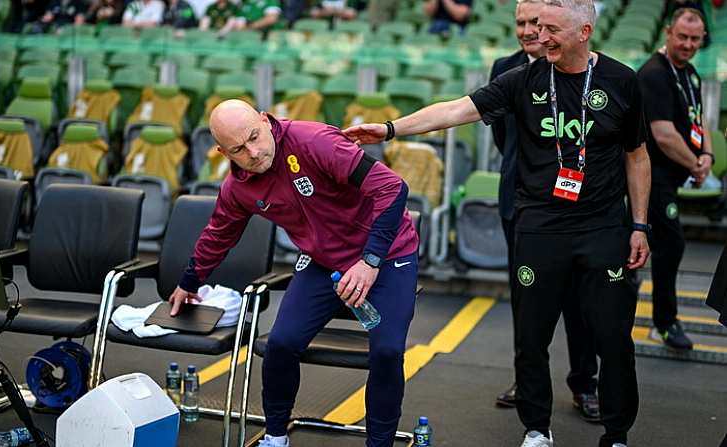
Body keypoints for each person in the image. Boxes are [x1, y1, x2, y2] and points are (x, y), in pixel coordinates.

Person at [344, 0, 651, 445]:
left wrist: (639, 225)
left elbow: (636, 155)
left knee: (613, 338)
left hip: (602, 227)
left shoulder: (622, 80)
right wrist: (390, 130)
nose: (539, 37)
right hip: (538, 227)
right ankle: (536, 428)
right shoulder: (523, 79)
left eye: (551, 30)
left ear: (584, 32)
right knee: (531, 335)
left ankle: (617, 433)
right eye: (536, 26)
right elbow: (453, 111)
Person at [169, 99, 420, 447]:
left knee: (387, 351)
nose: (254, 153)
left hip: (388, 255)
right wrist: (189, 282)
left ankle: (379, 444)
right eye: (239, 149)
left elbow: (393, 189)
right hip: (323, 262)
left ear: (263, 119)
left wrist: (370, 261)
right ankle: (275, 436)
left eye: (255, 137)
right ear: (222, 151)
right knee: (282, 343)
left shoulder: (315, 142)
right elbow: (219, 233)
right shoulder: (238, 187)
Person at [490, 0, 599, 423]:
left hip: (577, 209)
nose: (528, 30)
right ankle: (528, 380)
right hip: (519, 204)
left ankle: (584, 383)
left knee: (580, 302)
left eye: (536, 22)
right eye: (520, 22)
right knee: (526, 301)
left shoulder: (586, 71)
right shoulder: (504, 68)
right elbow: (503, 133)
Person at [637, 7, 713, 350]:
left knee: (665, 245)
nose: (688, 44)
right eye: (682, 36)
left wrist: (707, 155)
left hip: (673, 175)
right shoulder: (654, 74)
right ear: (668, 32)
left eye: (695, 39)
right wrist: (696, 165)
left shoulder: (690, 72)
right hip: (651, 177)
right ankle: (665, 323)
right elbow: (663, 135)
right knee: (670, 245)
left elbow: (700, 121)